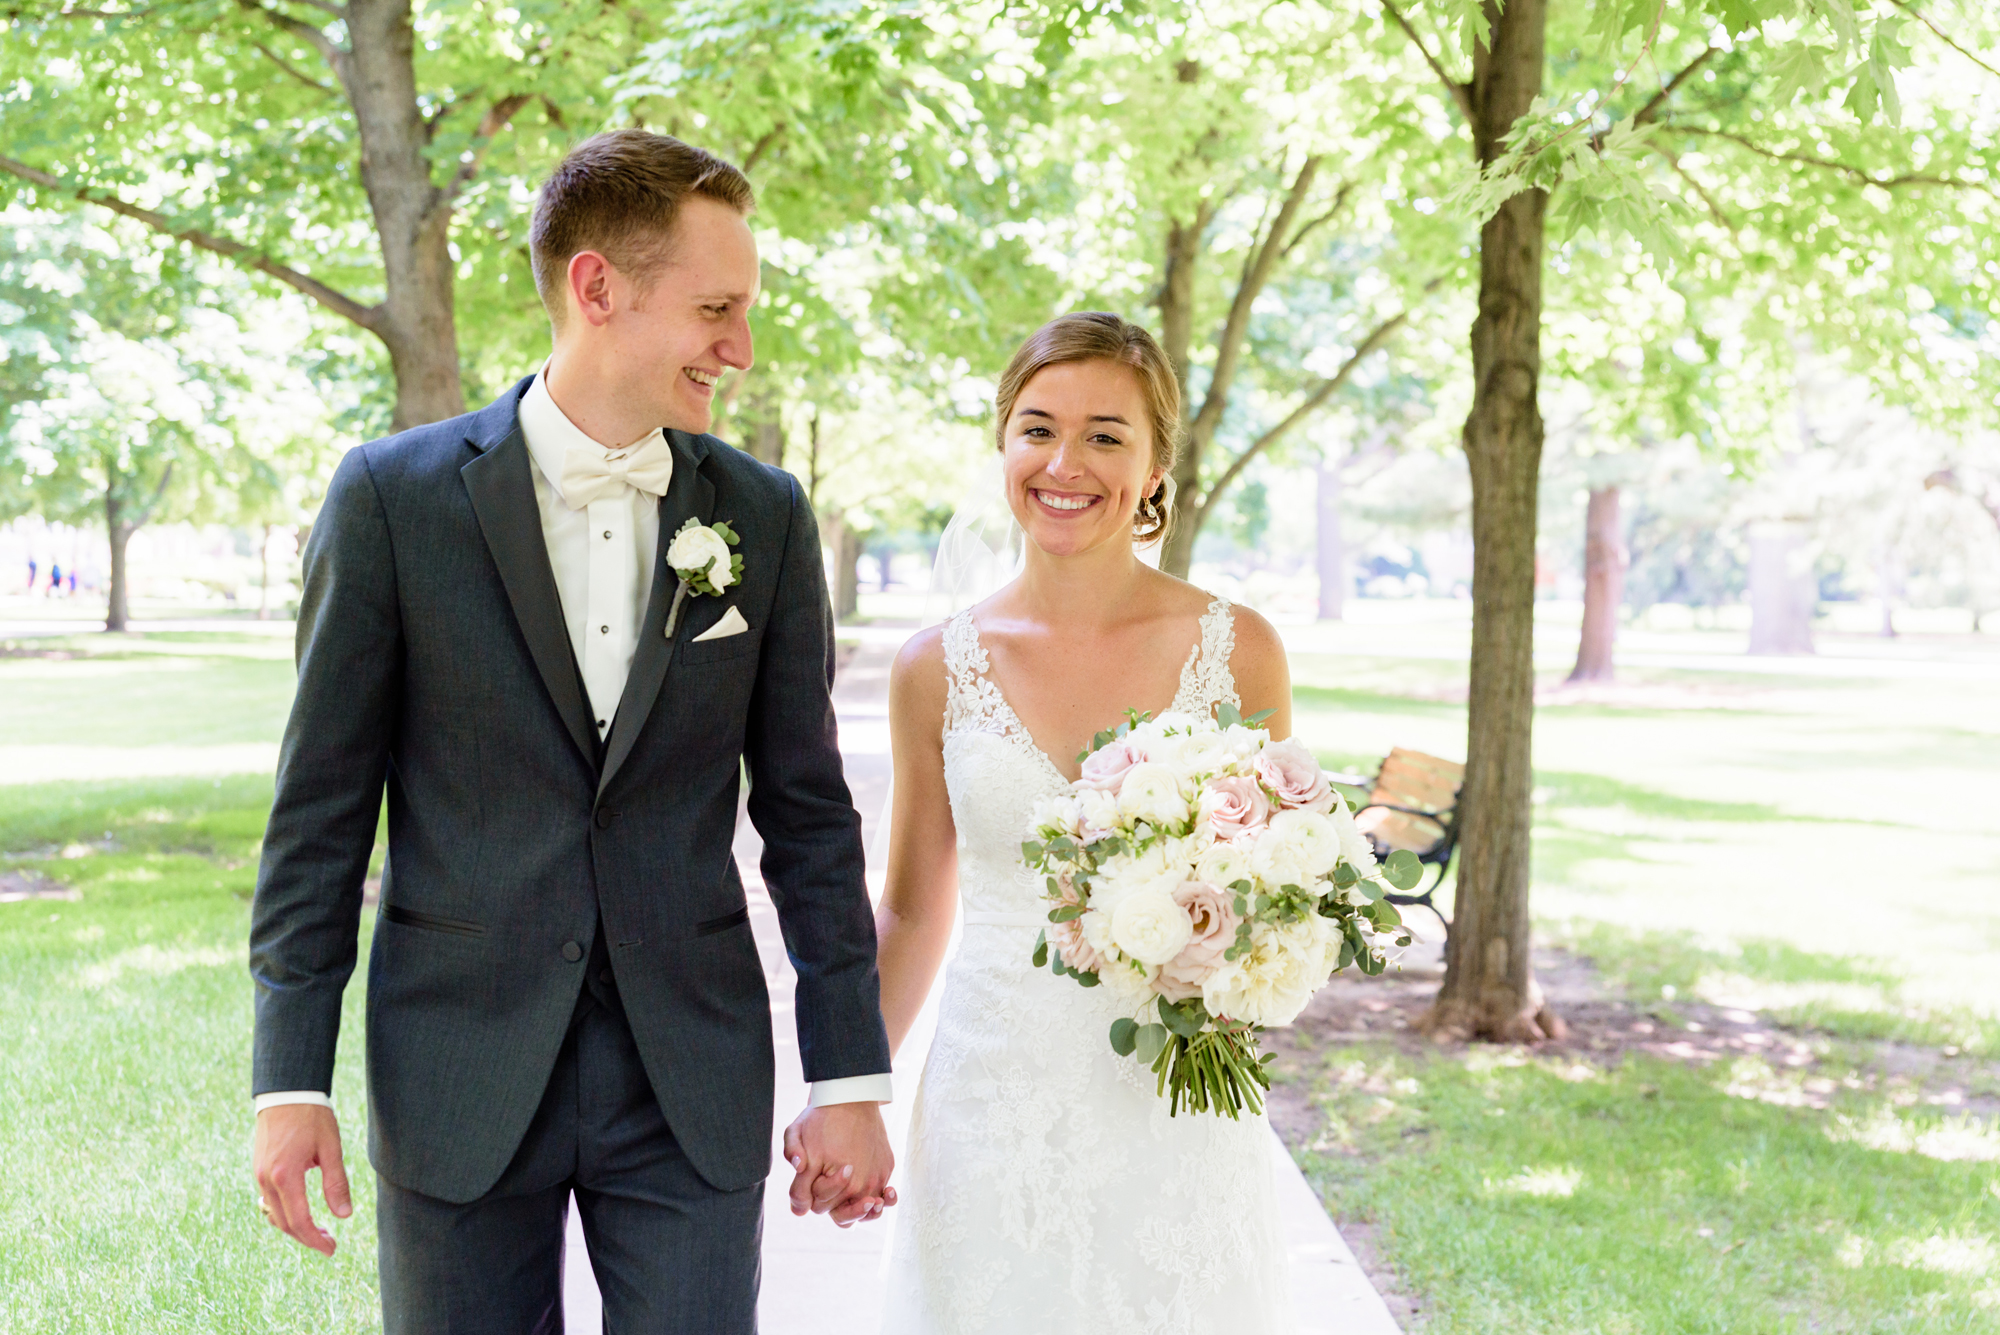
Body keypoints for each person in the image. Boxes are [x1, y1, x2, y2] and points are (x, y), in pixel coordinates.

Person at [247, 130, 896, 1334]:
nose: (740, 349)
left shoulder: (763, 512)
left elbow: (808, 817)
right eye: (716, 309)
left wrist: (847, 1075)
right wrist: (289, 1080)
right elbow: (318, 819)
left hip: (688, 1074)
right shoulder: (390, 499)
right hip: (456, 1065)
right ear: (597, 289)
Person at [875, 312, 1300, 1333]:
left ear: (1156, 467)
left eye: (1106, 435)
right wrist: (846, 1093)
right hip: (991, 1105)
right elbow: (911, 914)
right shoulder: (933, 667)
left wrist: (1236, 973)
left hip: (1169, 1096)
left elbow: (1278, 880)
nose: (1065, 463)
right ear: (1002, 444)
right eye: (1036, 429)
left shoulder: (1237, 650)